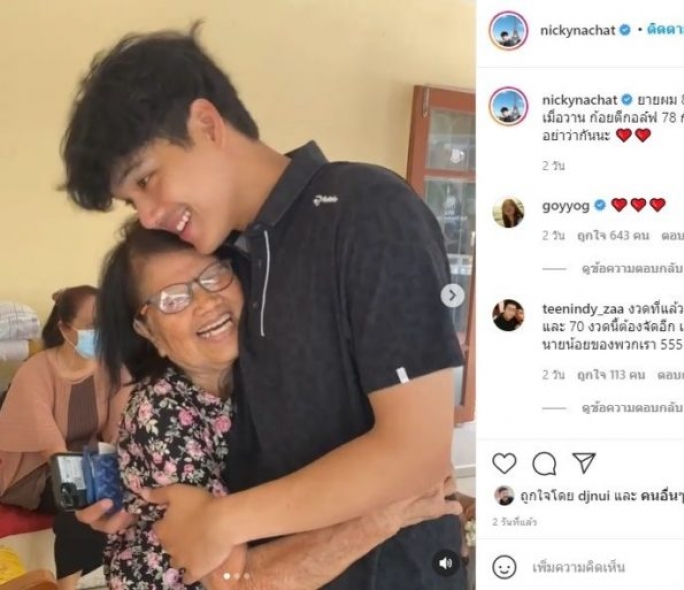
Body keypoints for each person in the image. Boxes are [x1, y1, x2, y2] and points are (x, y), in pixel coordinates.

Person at [61, 23, 465, 587]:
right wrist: (134, 498)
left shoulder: (366, 213)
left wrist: (222, 521)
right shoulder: (228, 256)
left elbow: (416, 452)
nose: (148, 216)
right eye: (132, 202)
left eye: (148, 180)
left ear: (207, 124)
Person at [96, 218, 460, 589]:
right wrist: (384, 513)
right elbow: (232, 581)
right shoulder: (160, 412)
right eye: (173, 299)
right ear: (148, 331)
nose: (206, 302)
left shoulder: (269, 372)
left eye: (214, 275)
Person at [0, 287, 129, 590]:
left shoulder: (113, 369)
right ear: (65, 329)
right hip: (36, 475)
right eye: (92, 326)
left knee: (118, 495)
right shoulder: (35, 371)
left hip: (88, 461)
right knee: (84, 503)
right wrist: (89, 484)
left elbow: (118, 434)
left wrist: (118, 476)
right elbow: (52, 449)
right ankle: (65, 586)